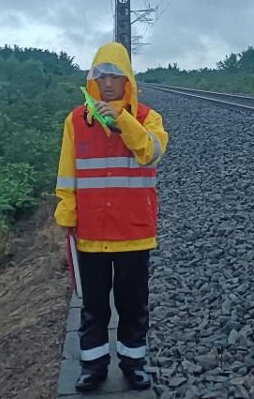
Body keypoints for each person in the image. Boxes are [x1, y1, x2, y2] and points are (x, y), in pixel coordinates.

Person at [54, 42, 169, 392]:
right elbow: (67, 174)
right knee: (93, 305)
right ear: (92, 80)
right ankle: (93, 367)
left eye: (115, 75)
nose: (107, 82)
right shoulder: (76, 121)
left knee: (132, 304)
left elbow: (151, 152)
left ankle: (133, 364)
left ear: (127, 82)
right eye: (100, 75)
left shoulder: (148, 118)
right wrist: (67, 216)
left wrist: (121, 119)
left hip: (134, 230)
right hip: (91, 231)